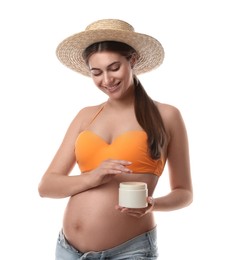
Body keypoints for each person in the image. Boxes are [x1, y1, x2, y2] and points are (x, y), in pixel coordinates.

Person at [38, 18, 193, 260]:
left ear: (132, 60)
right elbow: (46, 186)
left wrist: (152, 204)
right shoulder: (85, 116)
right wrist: (92, 177)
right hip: (68, 251)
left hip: (129, 251)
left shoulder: (166, 115)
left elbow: (184, 193)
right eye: (96, 72)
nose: (107, 80)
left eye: (114, 68)